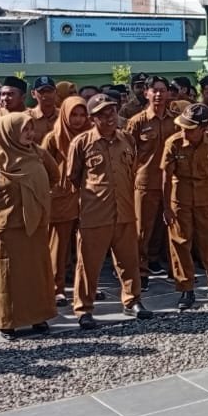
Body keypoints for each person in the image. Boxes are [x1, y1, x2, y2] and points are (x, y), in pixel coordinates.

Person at [0, 113, 58, 340]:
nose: (30, 134)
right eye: (24, 130)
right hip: (8, 227)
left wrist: (37, 196)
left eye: (31, 129)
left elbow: (55, 176)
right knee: (8, 276)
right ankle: (8, 322)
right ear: (8, 132)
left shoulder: (39, 154)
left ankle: (39, 317)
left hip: (36, 225)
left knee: (36, 274)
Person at [67, 94, 149, 327]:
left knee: (129, 260)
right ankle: (84, 309)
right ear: (93, 118)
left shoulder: (126, 139)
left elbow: (131, 169)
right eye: (102, 114)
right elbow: (73, 177)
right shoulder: (82, 143)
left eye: (112, 111)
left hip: (123, 210)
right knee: (88, 265)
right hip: (95, 214)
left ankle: (132, 300)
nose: (109, 117)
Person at [162, 103, 208, 309]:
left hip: (206, 199)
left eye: (190, 128)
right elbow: (166, 177)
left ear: (203, 129)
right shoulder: (174, 143)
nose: (184, 132)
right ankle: (186, 289)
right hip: (181, 199)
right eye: (183, 127)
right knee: (180, 243)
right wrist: (167, 208)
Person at [126, 75, 176, 285]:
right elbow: (127, 153)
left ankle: (166, 266)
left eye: (162, 90)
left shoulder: (175, 120)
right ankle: (141, 272)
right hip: (145, 182)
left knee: (168, 228)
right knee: (142, 231)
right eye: (154, 90)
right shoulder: (137, 122)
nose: (158, 94)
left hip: (172, 182)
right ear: (146, 93)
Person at [40, 94, 89, 306]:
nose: (77, 119)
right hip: (61, 196)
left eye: (81, 114)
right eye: (73, 115)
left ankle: (87, 287)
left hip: (88, 194)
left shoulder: (91, 136)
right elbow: (43, 166)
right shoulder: (53, 137)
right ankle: (56, 288)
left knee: (86, 244)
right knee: (58, 246)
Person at [24, 76, 59, 145]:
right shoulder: (25, 117)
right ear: (33, 94)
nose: (46, 95)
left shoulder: (63, 116)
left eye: (49, 91)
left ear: (56, 92)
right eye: (42, 91)